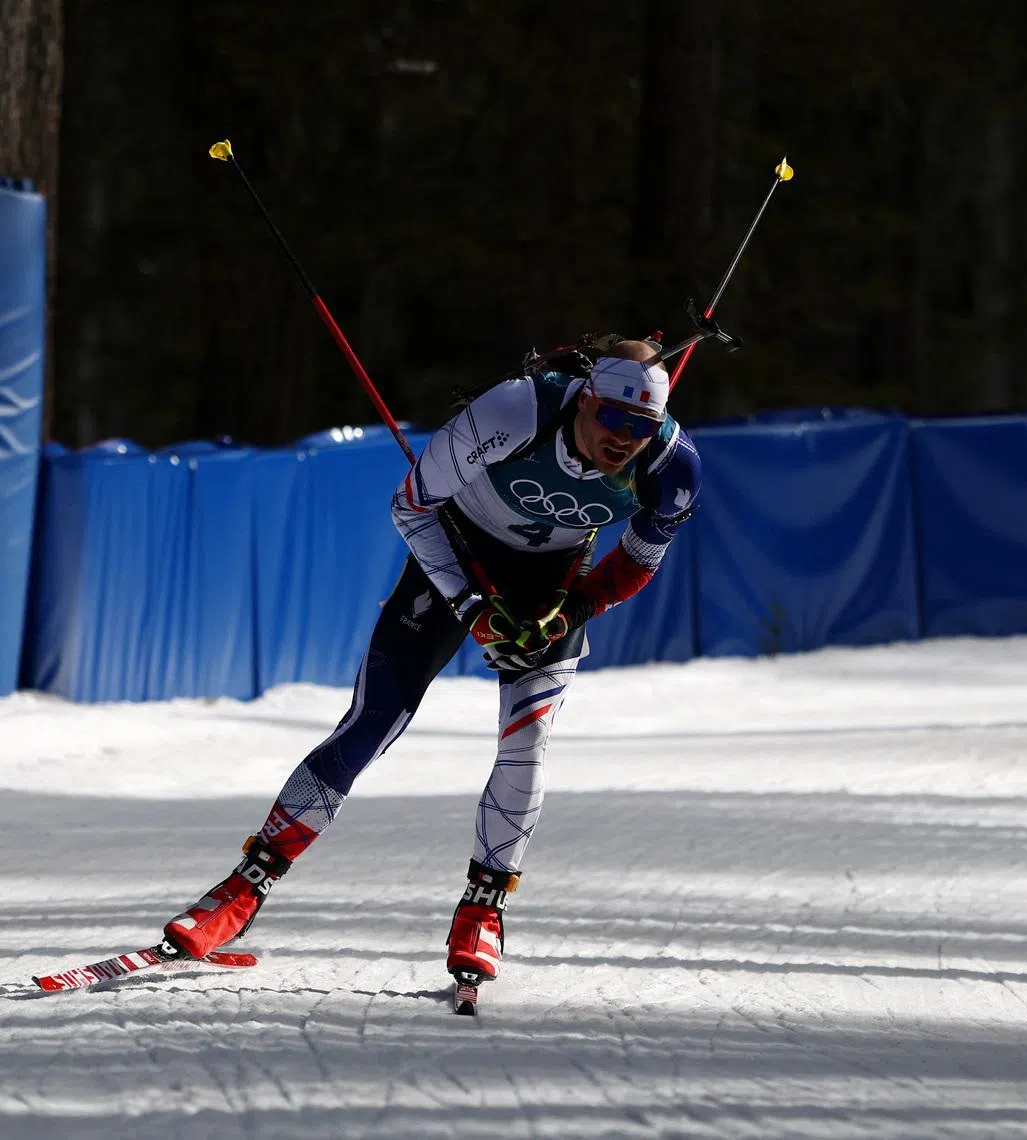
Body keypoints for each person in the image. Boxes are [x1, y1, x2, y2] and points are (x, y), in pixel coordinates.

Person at [163, 338, 702, 990]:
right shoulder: (516, 411)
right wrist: (473, 608)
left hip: (553, 584)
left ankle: (484, 910)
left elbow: (638, 562)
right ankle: (243, 891)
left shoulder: (672, 466)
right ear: (586, 401)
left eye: (641, 428)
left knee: (527, 742)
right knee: (371, 724)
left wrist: (570, 615)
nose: (624, 442)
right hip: (455, 554)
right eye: (613, 421)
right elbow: (410, 505)